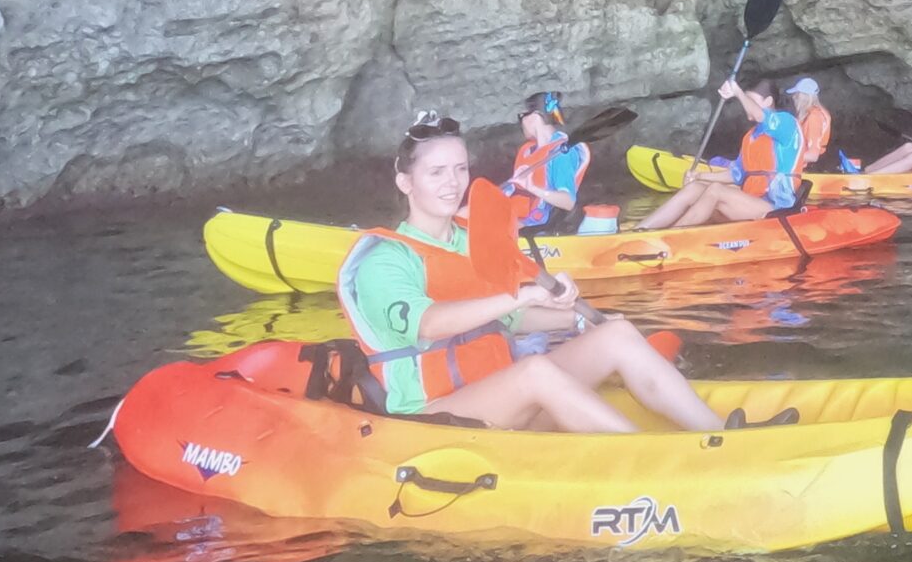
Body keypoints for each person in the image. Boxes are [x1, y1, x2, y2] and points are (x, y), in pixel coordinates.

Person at [338, 117, 735, 433]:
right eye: (436, 172)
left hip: (502, 394)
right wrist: (523, 294)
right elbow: (429, 324)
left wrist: (574, 316)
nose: (453, 183)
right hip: (433, 414)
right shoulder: (384, 259)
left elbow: (510, 319)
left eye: (460, 169)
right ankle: (658, 462)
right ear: (405, 182)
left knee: (615, 333)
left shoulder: (474, 240)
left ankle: (721, 435)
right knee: (535, 370)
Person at [642, 77, 805, 227]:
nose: (745, 105)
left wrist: (738, 92)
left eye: (751, 100)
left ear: (768, 101)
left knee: (716, 190)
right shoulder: (751, 137)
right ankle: (640, 231)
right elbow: (736, 175)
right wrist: (699, 176)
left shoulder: (786, 123)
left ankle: (672, 236)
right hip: (749, 201)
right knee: (694, 188)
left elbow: (760, 115)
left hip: (775, 207)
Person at [505, 91, 590, 230]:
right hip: (520, 219)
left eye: (522, 116)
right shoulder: (529, 151)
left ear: (535, 117)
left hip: (542, 226)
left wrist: (533, 188)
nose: (521, 122)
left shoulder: (562, 153)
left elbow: (568, 201)